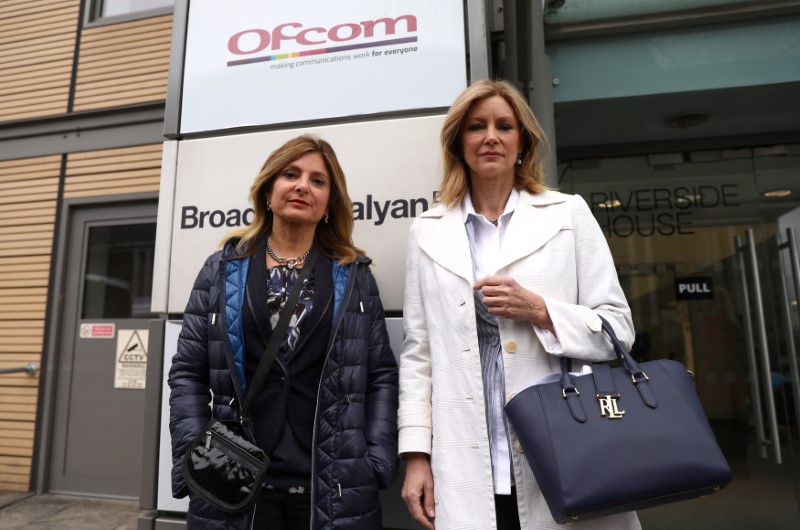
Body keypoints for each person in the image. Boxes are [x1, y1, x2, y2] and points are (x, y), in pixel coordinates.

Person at [398, 79, 641, 530]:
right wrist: (416, 455)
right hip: (467, 458)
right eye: (476, 126)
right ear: (459, 143)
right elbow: (419, 353)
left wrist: (540, 310)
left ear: (521, 142)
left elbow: (618, 329)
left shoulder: (568, 213)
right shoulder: (427, 231)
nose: (491, 136)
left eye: (504, 126)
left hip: (565, 444)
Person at [169, 134, 399, 530]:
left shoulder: (354, 275)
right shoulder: (222, 269)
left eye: (317, 180)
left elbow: (379, 376)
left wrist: (375, 461)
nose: (302, 186)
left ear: (330, 203)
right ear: (269, 189)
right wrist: (194, 451)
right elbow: (188, 372)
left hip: (332, 489)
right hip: (235, 482)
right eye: (290, 174)